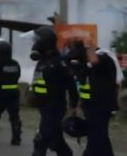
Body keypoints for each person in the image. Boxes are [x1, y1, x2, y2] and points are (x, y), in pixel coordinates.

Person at [30, 27, 76, 156]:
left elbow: (71, 85)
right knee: (55, 139)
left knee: (41, 139)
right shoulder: (42, 61)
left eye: (37, 40)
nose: (35, 43)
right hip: (43, 105)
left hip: (54, 106)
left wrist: (73, 105)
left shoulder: (58, 63)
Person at [66, 40, 118, 156]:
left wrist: (88, 45)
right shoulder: (85, 67)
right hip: (90, 106)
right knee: (98, 137)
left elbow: (94, 60)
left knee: (96, 137)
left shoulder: (103, 58)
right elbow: (81, 85)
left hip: (101, 106)